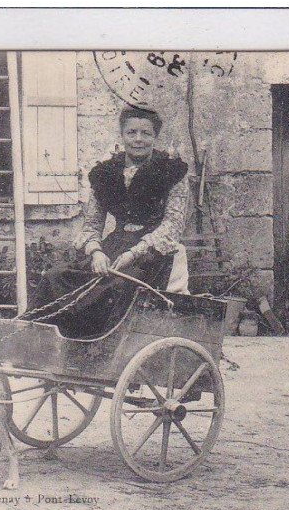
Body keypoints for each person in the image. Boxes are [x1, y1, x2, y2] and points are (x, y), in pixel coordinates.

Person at [26, 105, 190, 338]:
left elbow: (173, 224)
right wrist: (96, 253)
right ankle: (48, 343)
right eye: (131, 133)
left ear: (155, 137)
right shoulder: (105, 172)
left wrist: (135, 253)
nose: (138, 139)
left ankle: (96, 348)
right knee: (56, 277)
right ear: (122, 135)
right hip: (113, 246)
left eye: (146, 133)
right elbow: (92, 224)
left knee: (118, 287)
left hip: (151, 252)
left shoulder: (172, 170)